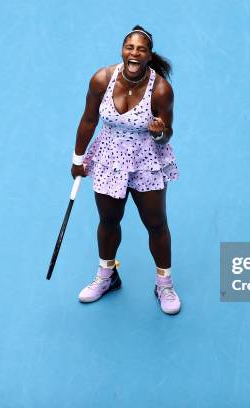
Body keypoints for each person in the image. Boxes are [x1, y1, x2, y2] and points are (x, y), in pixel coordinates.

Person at [70, 25, 181, 315]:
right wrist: (77, 158)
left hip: (146, 160)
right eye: (129, 47)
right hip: (108, 158)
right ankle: (107, 277)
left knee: (156, 224)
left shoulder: (161, 90)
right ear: (122, 50)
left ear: (148, 55)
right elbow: (88, 120)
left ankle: (164, 284)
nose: (134, 53)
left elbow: (167, 133)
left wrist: (159, 132)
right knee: (108, 221)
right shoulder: (102, 79)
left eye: (141, 49)